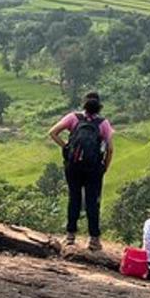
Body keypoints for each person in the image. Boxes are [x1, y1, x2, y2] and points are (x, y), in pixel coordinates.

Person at [48, 91, 114, 251]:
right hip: (93, 169)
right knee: (93, 202)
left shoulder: (73, 118)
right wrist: (104, 166)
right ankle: (94, 240)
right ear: (99, 106)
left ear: (84, 104)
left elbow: (52, 133)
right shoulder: (103, 123)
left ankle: (70, 236)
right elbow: (110, 149)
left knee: (74, 198)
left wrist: (66, 147)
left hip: (73, 166)